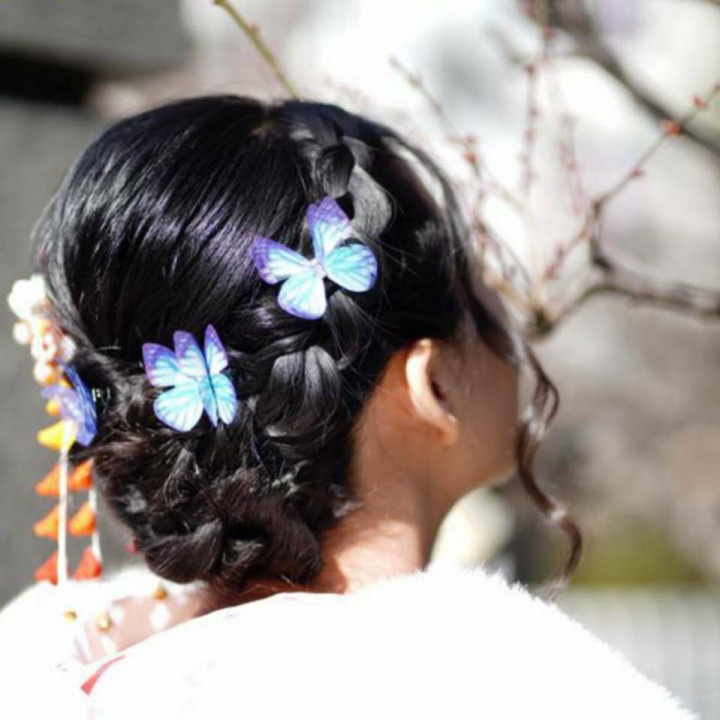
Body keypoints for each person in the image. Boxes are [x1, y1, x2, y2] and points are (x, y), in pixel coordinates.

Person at [0, 95, 696, 718]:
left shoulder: (83, 679)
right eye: (480, 283)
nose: (510, 322)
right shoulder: (506, 693)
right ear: (433, 386)